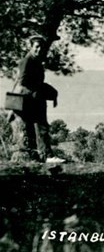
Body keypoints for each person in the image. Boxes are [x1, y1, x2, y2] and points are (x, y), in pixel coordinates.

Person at [9, 35, 64, 163]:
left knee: (41, 127)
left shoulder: (36, 62)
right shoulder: (27, 61)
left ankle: (44, 155)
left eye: (41, 47)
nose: (39, 50)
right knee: (40, 127)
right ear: (31, 47)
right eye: (36, 47)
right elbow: (22, 83)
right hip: (29, 100)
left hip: (33, 99)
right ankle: (46, 156)